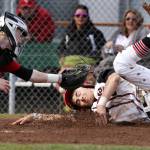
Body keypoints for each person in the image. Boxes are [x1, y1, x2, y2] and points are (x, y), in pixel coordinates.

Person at [12, 68, 150, 126]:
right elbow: (66, 119)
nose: (81, 99)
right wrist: (35, 116)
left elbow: (114, 78)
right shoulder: (95, 113)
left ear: (85, 85)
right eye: (78, 102)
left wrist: (102, 103)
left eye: (78, 94)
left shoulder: (101, 81)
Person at [0, 12, 88, 93]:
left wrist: (60, 78)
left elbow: (30, 75)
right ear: (10, 27)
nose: (21, 39)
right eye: (20, 33)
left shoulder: (5, 57)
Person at [94, 9, 149, 76]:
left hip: (133, 64)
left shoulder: (143, 32)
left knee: (108, 63)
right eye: (128, 19)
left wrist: (124, 50)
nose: (130, 21)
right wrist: (112, 48)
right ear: (124, 21)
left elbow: (143, 51)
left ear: (138, 21)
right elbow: (104, 50)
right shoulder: (118, 33)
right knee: (106, 63)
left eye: (134, 19)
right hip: (113, 61)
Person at [58, 4, 106, 68]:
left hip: (88, 64)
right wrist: (62, 57)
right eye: (78, 15)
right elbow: (61, 48)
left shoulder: (95, 33)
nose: (80, 18)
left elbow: (102, 48)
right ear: (74, 17)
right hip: (69, 64)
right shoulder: (68, 32)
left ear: (87, 17)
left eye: (84, 16)